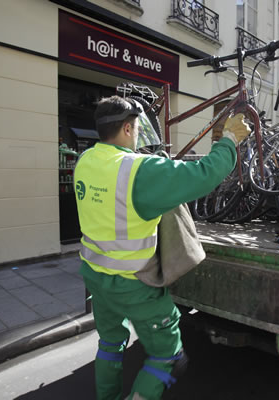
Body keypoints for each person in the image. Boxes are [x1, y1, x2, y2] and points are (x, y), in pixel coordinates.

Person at [74, 95, 251, 400]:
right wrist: (230, 138)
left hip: (95, 277)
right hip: (134, 285)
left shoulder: (85, 161)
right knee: (167, 355)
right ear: (129, 129)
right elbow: (204, 174)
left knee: (110, 344)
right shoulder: (138, 170)